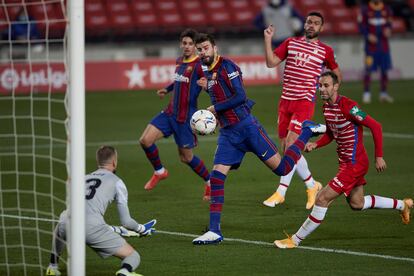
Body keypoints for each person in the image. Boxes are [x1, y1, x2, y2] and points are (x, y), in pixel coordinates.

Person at [191, 33, 327, 245]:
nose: (202, 52)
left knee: (282, 169)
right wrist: (216, 112)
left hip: (248, 128)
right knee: (217, 178)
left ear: (214, 47)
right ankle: (214, 231)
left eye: (205, 48)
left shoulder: (228, 67)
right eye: (199, 49)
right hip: (228, 134)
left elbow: (240, 97)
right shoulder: (208, 72)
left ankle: (307, 131)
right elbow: (222, 96)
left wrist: (214, 108)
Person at [274, 71, 413, 249]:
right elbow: (332, 133)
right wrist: (316, 144)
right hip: (346, 163)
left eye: (326, 85)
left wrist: (379, 156)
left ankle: (295, 240)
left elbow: (376, 126)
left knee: (322, 198)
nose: (321, 89)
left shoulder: (349, 106)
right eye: (320, 85)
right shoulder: (326, 107)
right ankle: (403, 205)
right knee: (357, 203)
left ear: (336, 86)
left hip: (354, 164)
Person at [263, 12, 342, 209]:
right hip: (285, 102)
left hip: (304, 102)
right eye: (309, 22)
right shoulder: (291, 42)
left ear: (321, 28)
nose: (311, 25)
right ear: (304, 24)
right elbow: (271, 62)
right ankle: (312, 184)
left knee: (291, 144)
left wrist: (330, 93)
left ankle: (281, 192)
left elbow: (336, 74)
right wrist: (267, 39)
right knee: (287, 148)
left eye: (316, 23)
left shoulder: (325, 51)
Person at [45, 146, 156, 276]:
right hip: (92, 228)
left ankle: (52, 266)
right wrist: (141, 229)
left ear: (98, 162)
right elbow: (126, 222)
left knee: (61, 225)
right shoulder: (117, 182)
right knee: (133, 255)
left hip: (66, 222)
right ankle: (124, 272)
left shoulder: (82, 178)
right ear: (114, 162)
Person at [139, 28, 211, 200]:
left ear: (195, 46)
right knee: (145, 140)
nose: (186, 46)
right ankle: (160, 171)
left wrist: (206, 85)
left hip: (185, 119)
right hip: (170, 113)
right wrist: (167, 88)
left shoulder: (199, 66)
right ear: (181, 44)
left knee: (186, 158)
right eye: (184, 43)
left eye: (190, 44)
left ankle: (210, 182)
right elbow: (178, 80)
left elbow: (209, 84)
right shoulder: (179, 61)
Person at [359, 0, 394, 104]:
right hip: (370, 48)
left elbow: (389, 23)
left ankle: (383, 94)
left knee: (384, 70)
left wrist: (388, 30)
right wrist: (368, 35)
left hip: (383, 47)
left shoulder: (386, 9)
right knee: (368, 70)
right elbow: (361, 26)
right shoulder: (365, 10)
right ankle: (366, 94)